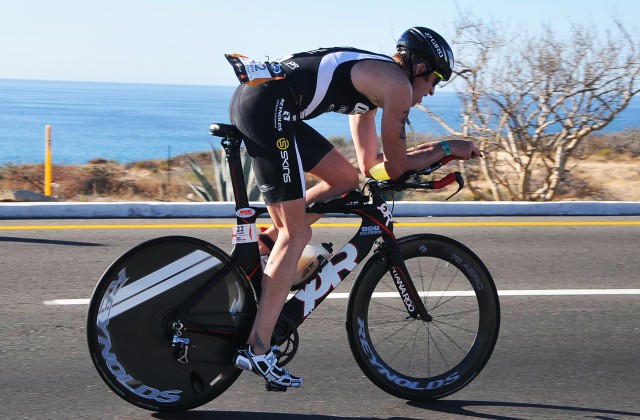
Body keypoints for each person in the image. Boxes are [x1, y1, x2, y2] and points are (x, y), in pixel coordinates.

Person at [229, 27, 482, 390]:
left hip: (269, 103)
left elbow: (370, 167)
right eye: (435, 80)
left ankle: (268, 244)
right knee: (297, 232)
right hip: (268, 107)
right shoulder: (395, 86)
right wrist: (445, 148)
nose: (430, 92)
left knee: (343, 179)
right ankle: (257, 347)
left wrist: (423, 163)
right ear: (420, 66)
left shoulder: (375, 88)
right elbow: (395, 166)